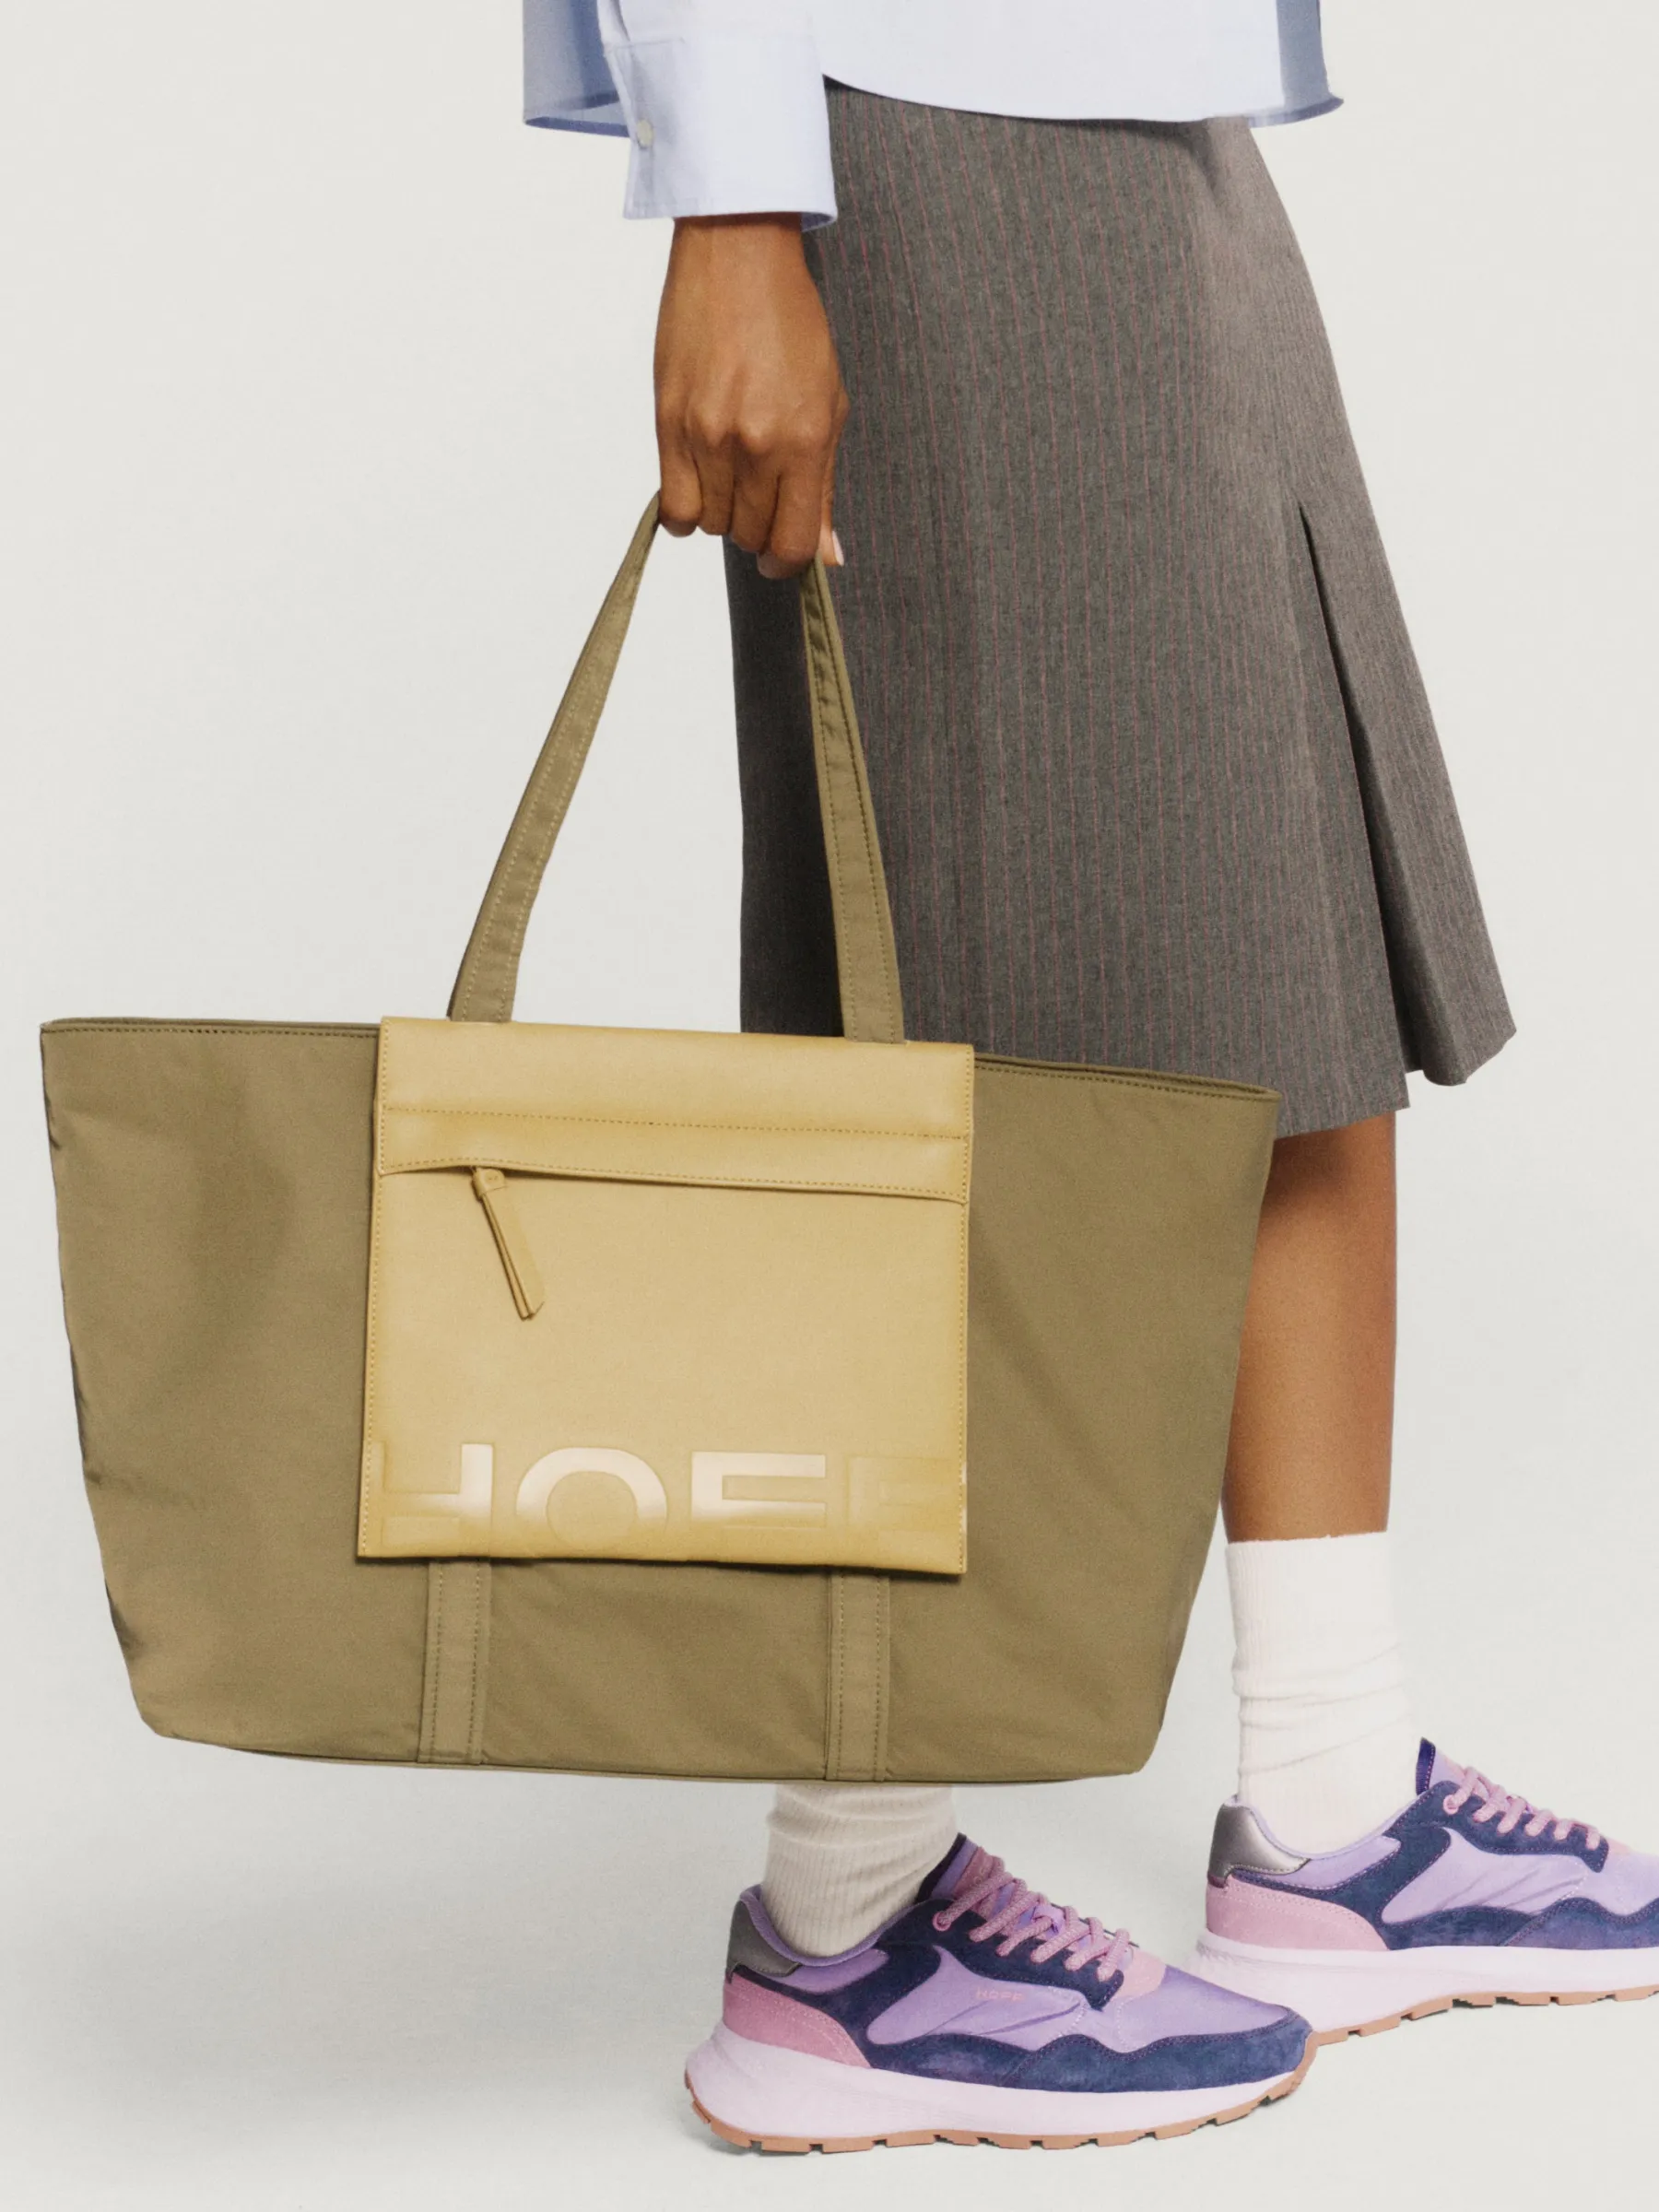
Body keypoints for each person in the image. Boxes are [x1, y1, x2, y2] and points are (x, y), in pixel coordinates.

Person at [525, 0, 1659, 2150]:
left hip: (1131, 99)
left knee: (1284, 943)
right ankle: (850, 1920)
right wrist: (735, 206)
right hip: (920, 120)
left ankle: (1337, 1807)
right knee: (952, 1035)